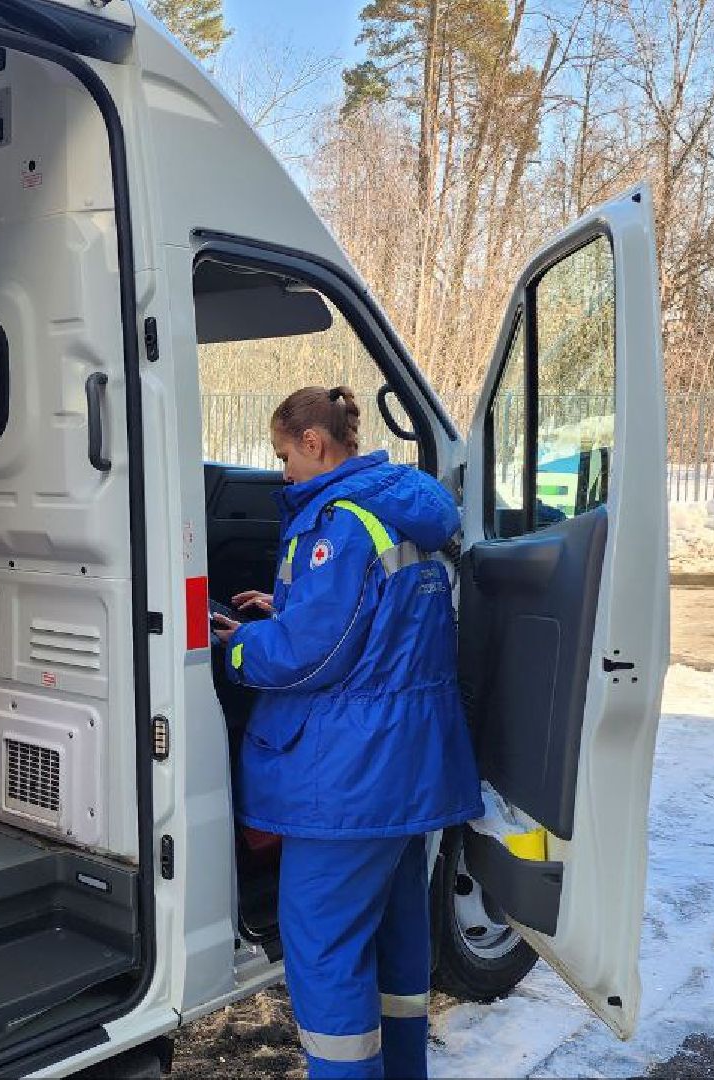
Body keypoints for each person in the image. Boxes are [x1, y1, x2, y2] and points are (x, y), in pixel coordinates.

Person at [210, 386, 480, 1080]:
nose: (281, 473)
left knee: (323, 951)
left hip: (348, 781)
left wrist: (235, 650)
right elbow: (377, 617)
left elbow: (312, 656)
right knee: (393, 940)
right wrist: (288, 607)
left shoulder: (341, 520)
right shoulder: (397, 501)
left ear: (312, 442)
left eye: (282, 455)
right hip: (403, 765)